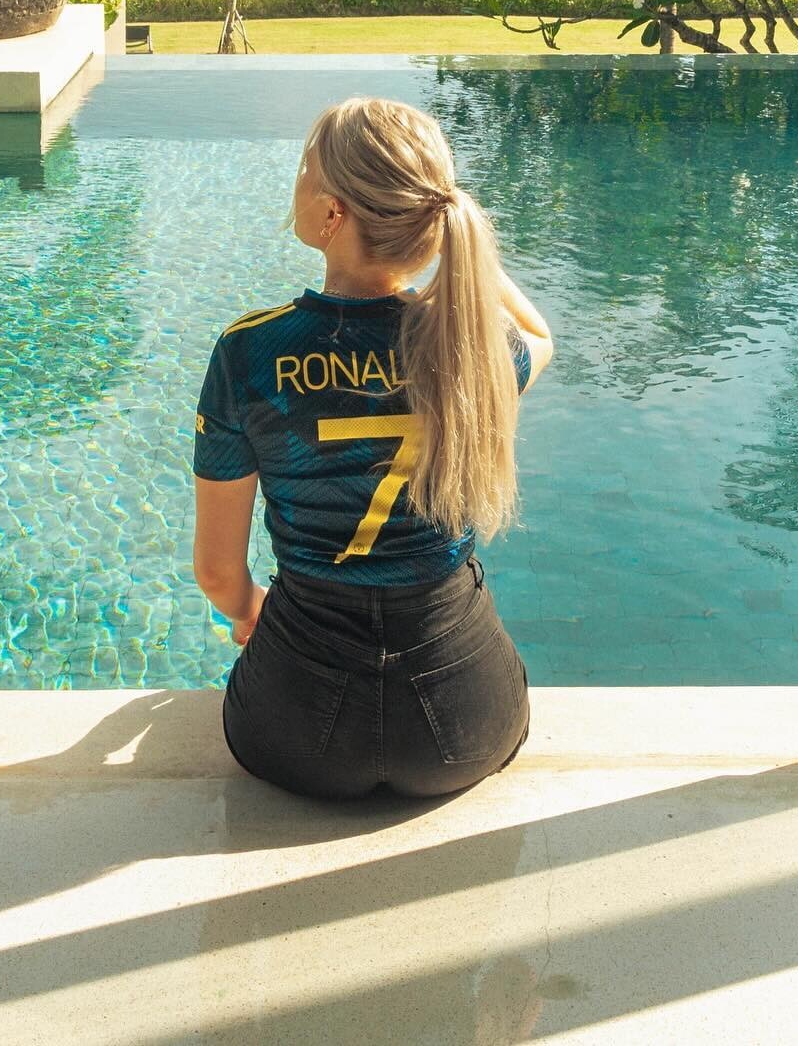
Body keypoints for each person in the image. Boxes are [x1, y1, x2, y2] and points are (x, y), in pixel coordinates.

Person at [191, 95, 553, 800]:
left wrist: (250, 609)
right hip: (465, 722)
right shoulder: (475, 352)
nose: (295, 179)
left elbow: (216, 573)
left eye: (304, 167)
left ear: (332, 214)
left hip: (295, 728)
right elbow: (540, 336)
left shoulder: (249, 354)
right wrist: (453, 244)